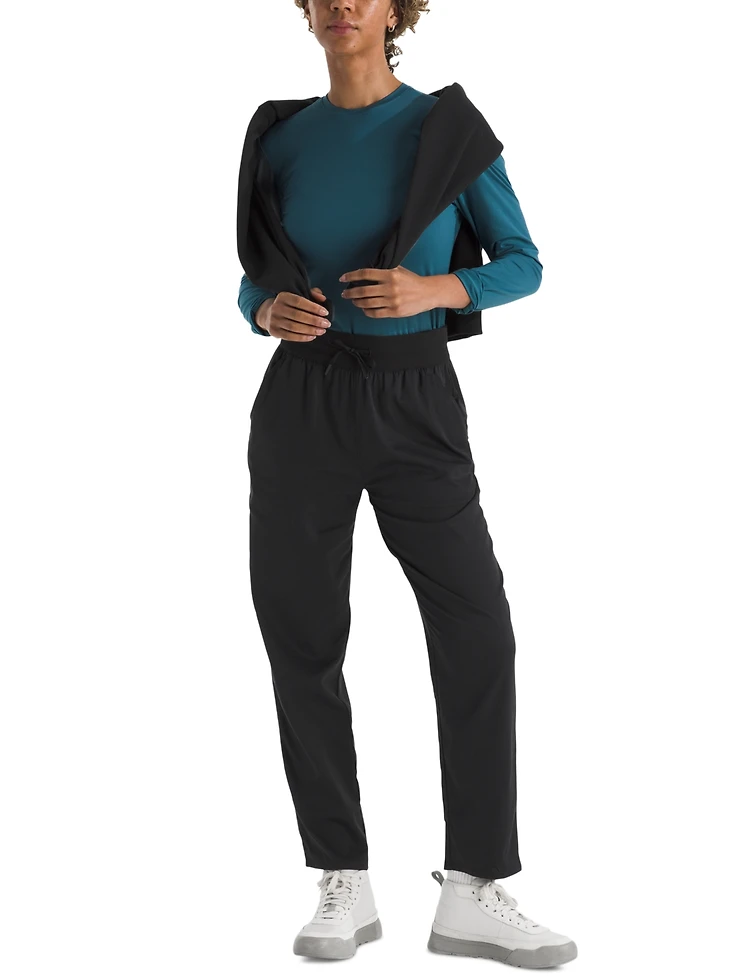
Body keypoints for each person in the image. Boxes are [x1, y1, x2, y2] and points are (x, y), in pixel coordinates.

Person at [237, 1, 577, 968]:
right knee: (301, 635)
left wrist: (438, 290)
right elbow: (251, 276)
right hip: (300, 402)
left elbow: (523, 264)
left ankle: (476, 886)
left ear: (397, 10)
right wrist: (263, 311)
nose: (342, 4)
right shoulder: (278, 136)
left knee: (477, 627)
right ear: (307, 10)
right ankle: (340, 877)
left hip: (416, 400)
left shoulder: (448, 131)